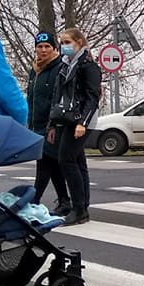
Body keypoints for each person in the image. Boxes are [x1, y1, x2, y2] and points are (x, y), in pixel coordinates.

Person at [48, 27, 101, 223]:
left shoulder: (88, 66)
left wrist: (83, 123)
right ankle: (81, 207)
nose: (64, 47)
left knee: (66, 159)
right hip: (66, 118)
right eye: (62, 43)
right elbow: (57, 96)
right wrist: (52, 124)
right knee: (77, 161)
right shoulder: (64, 66)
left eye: (68, 43)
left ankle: (78, 209)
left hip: (81, 120)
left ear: (80, 43)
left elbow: (92, 97)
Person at [26, 31, 68, 212]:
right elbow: (31, 98)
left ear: (54, 48)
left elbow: (55, 98)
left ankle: (34, 200)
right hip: (36, 125)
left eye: (47, 47)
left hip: (51, 125)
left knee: (44, 163)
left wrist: (53, 123)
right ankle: (65, 201)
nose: (43, 51)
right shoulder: (34, 71)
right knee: (52, 164)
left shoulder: (58, 68)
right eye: (39, 47)